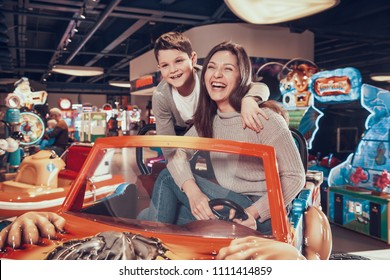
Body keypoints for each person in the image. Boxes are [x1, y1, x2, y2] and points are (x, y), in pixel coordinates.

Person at [144, 41, 306, 233]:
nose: (217, 74)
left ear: (241, 77)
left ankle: (150, 246)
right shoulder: (209, 121)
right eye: (211, 67)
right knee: (154, 217)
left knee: (166, 179)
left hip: (263, 211)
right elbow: (178, 153)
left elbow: (295, 177)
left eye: (227, 69)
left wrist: (253, 212)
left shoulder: (264, 118)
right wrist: (194, 192)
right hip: (229, 204)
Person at [152, 32, 270, 144]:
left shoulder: (209, 76)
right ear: (159, 68)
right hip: (184, 140)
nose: (173, 70)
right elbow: (166, 143)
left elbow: (260, 87)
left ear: (193, 59)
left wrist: (249, 99)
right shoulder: (160, 96)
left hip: (213, 133)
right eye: (165, 65)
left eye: (178, 61)